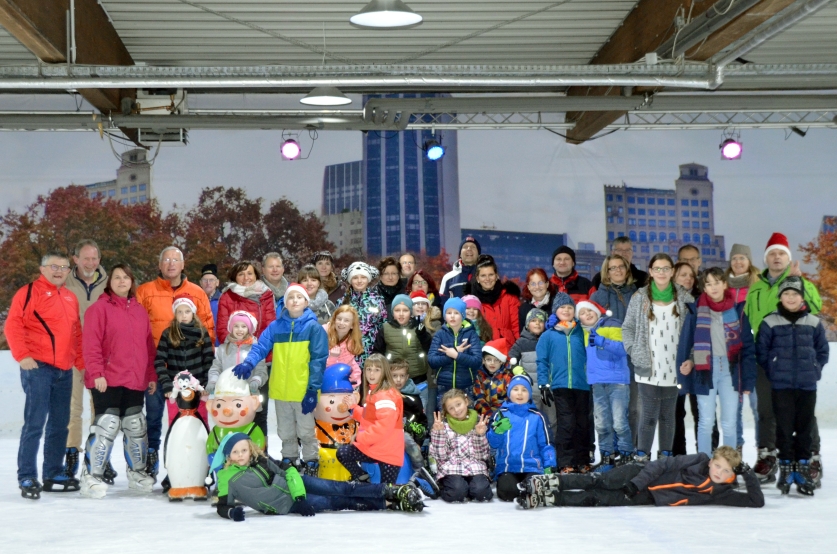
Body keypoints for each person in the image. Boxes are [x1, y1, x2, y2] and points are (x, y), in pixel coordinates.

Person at [5, 252, 85, 498]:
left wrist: (81, 362)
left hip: (64, 370)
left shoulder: (70, 297)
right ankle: (27, 476)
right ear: (42, 269)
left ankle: (52, 472)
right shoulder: (29, 292)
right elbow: (13, 324)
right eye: (54, 266)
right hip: (38, 368)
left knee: (60, 424)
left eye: (64, 267)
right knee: (35, 423)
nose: (59, 271)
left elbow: (76, 333)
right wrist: (23, 355)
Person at [746, 232, 823, 484]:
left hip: (797, 359)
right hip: (765, 357)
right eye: (772, 253)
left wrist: (799, 280)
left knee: (803, 412)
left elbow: (816, 306)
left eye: (781, 253)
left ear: (788, 258)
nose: (776, 257)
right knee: (766, 410)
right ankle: (768, 456)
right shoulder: (756, 288)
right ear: (766, 259)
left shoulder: (799, 281)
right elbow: (748, 320)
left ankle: (811, 457)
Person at [210, 433, 424, 519]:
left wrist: (300, 496)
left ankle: (391, 490)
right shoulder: (227, 478)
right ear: (228, 455)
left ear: (250, 449)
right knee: (338, 502)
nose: (240, 456)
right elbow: (222, 505)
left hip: (299, 486)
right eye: (235, 453)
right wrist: (231, 513)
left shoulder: (261, 459)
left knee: (341, 488)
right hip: (286, 504)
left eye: (243, 451)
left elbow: (289, 470)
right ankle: (388, 503)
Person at [136, 246, 215, 477]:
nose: (171, 264)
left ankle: (201, 466)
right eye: (166, 260)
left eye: (175, 260)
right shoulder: (145, 291)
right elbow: (137, 329)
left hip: (193, 375)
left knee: (194, 420)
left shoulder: (197, 292)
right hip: (159, 368)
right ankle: (155, 463)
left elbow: (208, 330)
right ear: (160, 265)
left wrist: (204, 377)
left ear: (183, 264)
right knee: (154, 419)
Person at [79, 264, 157, 498]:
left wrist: (151, 375)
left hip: (135, 378)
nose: (122, 281)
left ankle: (137, 473)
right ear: (109, 282)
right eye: (117, 278)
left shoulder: (140, 311)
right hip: (107, 378)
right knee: (107, 425)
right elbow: (90, 344)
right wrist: (97, 373)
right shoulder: (99, 309)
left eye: (126, 278)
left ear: (132, 282)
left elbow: (148, 347)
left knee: (135, 425)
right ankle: (91, 476)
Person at [233, 284, 329, 474]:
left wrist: (312, 389)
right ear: (285, 302)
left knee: (306, 430)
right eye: (290, 297)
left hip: (303, 390)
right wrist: (249, 363)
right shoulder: (276, 327)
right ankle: (290, 460)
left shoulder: (313, 328)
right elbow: (261, 347)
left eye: (299, 297)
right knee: (285, 431)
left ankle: (311, 461)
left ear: (305, 301)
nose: (294, 301)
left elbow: (318, 360)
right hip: (282, 390)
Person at [756, 276, 829, 496]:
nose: (790, 297)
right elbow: (762, 351)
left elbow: (823, 351)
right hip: (781, 385)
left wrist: (815, 367)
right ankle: (786, 468)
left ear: (801, 297)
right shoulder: (770, 322)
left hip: (807, 385)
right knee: (784, 427)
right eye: (786, 294)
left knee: (805, 427)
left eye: (795, 294)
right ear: (780, 297)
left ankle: (803, 468)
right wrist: (774, 369)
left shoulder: (814, 322)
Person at [517, 446, 764, 509]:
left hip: (647, 497)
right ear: (711, 461)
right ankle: (550, 481)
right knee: (601, 481)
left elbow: (756, 502)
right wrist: (635, 483)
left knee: (597, 499)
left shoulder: (721, 493)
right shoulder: (697, 459)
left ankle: (547, 499)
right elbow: (660, 464)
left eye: (726, 471)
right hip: (640, 473)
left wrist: (748, 473)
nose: (719, 473)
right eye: (718, 466)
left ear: (733, 475)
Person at [621, 253, 695, 462]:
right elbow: (627, 328)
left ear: (672, 272)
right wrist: (633, 351)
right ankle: (642, 458)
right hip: (647, 366)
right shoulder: (639, 297)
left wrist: (689, 358)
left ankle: (665, 460)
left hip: (674, 368)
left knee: (668, 417)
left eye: (666, 268)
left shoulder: (685, 299)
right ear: (651, 272)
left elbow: (693, 333)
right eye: (657, 268)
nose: (662, 272)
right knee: (648, 416)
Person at [680, 268, 756, 456]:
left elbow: (747, 348)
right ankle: (703, 463)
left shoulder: (737, 311)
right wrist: (689, 361)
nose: (713, 287)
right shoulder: (696, 310)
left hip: (731, 370)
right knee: (705, 421)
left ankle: (728, 465)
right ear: (704, 288)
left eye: (716, 282)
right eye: (708, 283)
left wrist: (747, 379)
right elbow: (690, 342)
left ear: (724, 284)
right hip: (705, 370)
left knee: (729, 422)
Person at [63, 239, 108, 482]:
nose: (90, 262)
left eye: (94, 258)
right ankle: (71, 454)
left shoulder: (109, 284)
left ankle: (100, 456)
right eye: (85, 258)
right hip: (71, 353)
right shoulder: (64, 282)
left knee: (100, 409)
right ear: (75, 259)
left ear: (99, 260)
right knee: (73, 407)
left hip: (100, 355)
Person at [536, 292, 590, 472]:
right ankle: (565, 461)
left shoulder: (581, 331)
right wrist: (543, 383)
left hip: (582, 385)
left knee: (582, 423)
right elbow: (542, 361)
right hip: (560, 386)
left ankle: (582, 459)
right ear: (555, 311)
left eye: (569, 307)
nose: (566, 311)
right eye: (562, 308)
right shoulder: (548, 335)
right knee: (566, 423)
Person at [577, 299, 633, 469]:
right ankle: (607, 456)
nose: (587, 314)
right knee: (602, 424)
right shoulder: (582, 332)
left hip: (617, 381)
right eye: (582, 313)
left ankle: (626, 454)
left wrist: (603, 342)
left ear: (596, 310)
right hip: (597, 383)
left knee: (619, 422)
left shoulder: (612, 324)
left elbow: (624, 349)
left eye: (589, 310)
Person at [590, 253, 639, 445]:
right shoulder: (598, 296)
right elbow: (589, 330)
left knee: (633, 410)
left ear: (627, 270)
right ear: (606, 273)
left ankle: (630, 452)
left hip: (632, 362)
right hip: (606, 364)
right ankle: (610, 455)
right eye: (613, 268)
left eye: (621, 266)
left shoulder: (638, 295)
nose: (618, 270)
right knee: (607, 414)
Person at [487, 371, 556, 501]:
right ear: (509, 392)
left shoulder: (537, 416)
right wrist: (497, 432)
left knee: (535, 489)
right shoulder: (499, 414)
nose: (519, 393)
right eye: (515, 389)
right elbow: (492, 444)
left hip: (532, 466)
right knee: (507, 493)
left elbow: (546, 443)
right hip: (507, 467)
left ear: (529, 394)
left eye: (524, 390)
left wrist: (549, 464)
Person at [337, 354, 405, 484]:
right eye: (368, 369)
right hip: (378, 448)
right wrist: (353, 408)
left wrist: (358, 438)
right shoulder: (376, 391)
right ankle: (363, 480)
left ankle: (364, 481)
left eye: (377, 370)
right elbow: (371, 416)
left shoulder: (384, 395)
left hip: (387, 452)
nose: (371, 374)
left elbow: (383, 427)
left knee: (387, 497)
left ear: (384, 372)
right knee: (343, 452)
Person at [155, 295, 215, 427]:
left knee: (200, 420)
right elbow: (159, 360)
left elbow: (209, 360)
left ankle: (202, 446)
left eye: (187, 311)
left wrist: (206, 383)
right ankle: (176, 447)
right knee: (176, 422)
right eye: (179, 312)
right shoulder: (168, 334)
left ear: (193, 312)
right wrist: (167, 384)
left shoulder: (201, 332)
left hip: (198, 387)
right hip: (175, 389)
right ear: (174, 313)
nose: (183, 315)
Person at [725, 243, 760, 453]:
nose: (738, 262)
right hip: (730, 358)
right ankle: (736, 450)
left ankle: (763, 450)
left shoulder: (758, 287)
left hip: (754, 356)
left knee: (758, 407)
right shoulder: (723, 287)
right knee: (734, 409)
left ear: (749, 261)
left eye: (742, 258)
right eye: (734, 258)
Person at [430, 389, 493, 503]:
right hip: (452, 468)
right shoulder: (443, 427)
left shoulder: (478, 423)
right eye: (451, 408)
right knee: (457, 492)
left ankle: (470, 488)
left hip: (475, 466)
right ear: (446, 412)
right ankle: (448, 488)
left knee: (481, 493)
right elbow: (441, 457)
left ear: (466, 401)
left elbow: (482, 456)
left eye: (458, 404)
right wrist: (438, 434)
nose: (457, 410)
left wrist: (479, 435)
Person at [671, 259, 705, 456]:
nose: (688, 278)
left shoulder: (699, 302)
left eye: (691, 275)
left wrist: (692, 357)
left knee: (702, 414)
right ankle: (678, 458)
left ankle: (704, 456)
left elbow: (702, 334)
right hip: (671, 367)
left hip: (695, 364)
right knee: (675, 414)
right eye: (683, 274)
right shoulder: (664, 301)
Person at [372, 294, 432, 404]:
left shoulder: (419, 327)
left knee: (419, 413)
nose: (401, 314)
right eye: (397, 310)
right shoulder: (386, 328)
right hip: (393, 380)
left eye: (405, 310)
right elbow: (377, 352)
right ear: (392, 312)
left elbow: (429, 348)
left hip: (418, 379)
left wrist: (423, 335)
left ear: (411, 312)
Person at [428, 298, 483, 407]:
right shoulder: (440, 335)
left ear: (462, 315)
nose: (452, 316)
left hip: (465, 385)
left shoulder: (471, 334)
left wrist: (457, 355)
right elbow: (432, 360)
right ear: (444, 316)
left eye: (456, 313)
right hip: (444, 386)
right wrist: (450, 356)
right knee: (445, 420)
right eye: (449, 313)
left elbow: (477, 361)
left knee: (466, 419)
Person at [389, 359, 435, 492]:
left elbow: (421, 421)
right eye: (394, 376)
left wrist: (419, 441)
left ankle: (420, 472)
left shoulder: (414, 397)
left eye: (402, 376)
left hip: (408, 435)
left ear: (407, 377)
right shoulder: (385, 394)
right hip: (388, 434)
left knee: (406, 439)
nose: (398, 380)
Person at [206, 310, 268, 406]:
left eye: (244, 326)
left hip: (248, 395)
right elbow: (216, 368)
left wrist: (256, 380)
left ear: (249, 329)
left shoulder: (255, 350)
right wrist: (213, 381)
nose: (240, 329)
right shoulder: (223, 349)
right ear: (231, 328)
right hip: (226, 395)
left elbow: (261, 369)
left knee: (248, 420)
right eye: (236, 326)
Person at [509, 308, 552, 435]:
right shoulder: (522, 342)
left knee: (552, 421)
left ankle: (550, 447)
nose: (537, 323)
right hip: (531, 392)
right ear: (527, 324)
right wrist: (518, 370)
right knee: (532, 421)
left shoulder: (550, 340)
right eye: (533, 320)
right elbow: (512, 359)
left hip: (549, 391)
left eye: (541, 321)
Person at [464, 254, 521, 348]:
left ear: (496, 276)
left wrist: (518, 351)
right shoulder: (470, 301)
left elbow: (516, 328)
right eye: (483, 276)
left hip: (507, 351)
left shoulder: (509, 298)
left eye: (491, 275)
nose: (487, 279)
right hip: (480, 351)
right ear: (477, 278)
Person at [337, 261, 388, 366]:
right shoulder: (342, 302)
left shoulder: (378, 301)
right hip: (347, 354)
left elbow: (383, 326)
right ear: (350, 280)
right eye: (355, 278)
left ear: (368, 279)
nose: (359, 281)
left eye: (363, 277)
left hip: (372, 354)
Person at [217, 261, 276, 346]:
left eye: (249, 273)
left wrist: (261, 350)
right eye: (241, 274)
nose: (246, 278)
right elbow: (222, 329)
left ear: (256, 276)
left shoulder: (266, 295)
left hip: (262, 350)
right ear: (235, 277)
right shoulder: (227, 297)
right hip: (235, 351)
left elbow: (270, 327)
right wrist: (236, 345)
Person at [472, 339, 514, 417]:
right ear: (483, 360)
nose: (492, 363)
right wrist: (489, 414)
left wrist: (500, 415)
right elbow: (478, 398)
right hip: (485, 414)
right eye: (488, 359)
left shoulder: (507, 377)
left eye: (496, 360)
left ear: (501, 361)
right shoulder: (479, 376)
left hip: (503, 414)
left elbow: (511, 399)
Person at [324, 305, 363, 386]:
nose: (341, 323)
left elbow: (343, 369)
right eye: (339, 319)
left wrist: (354, 383)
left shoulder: (352, 343)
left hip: (339, 383)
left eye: (346, 320)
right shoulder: (322, 332)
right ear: (334, 320)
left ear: (352, 325)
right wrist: (333, 357)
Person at [518, 268, 556, 333]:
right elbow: (523, 335)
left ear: (547, 284)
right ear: (528, 287)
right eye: (533, 284)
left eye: (540, 283)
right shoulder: (524, 308)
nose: (537, 287)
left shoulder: (556, 305)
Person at [199, 263, 222, 335]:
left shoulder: (223, 300)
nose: (208, 283)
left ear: (217, 282)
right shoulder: (196, 301)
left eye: (211, 280)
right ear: (200, 283)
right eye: (205, 280)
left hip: (219, 343)